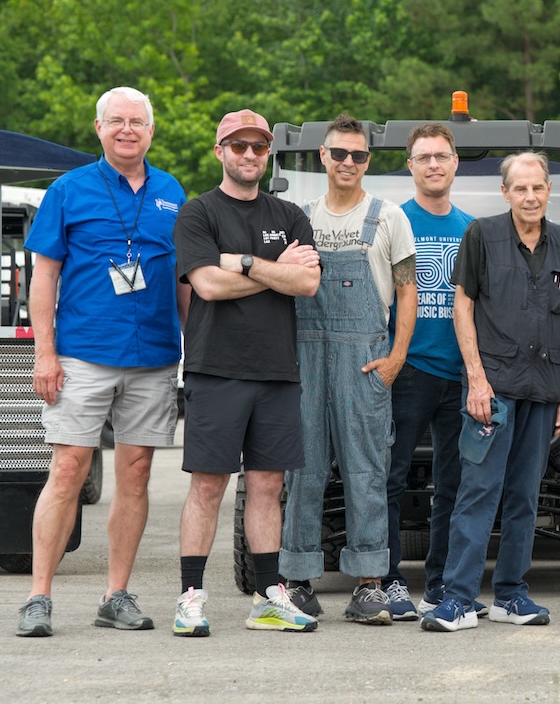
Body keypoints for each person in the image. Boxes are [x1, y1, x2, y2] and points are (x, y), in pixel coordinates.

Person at [16, 86, 187, 638]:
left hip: (155, 356)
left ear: (151, 132)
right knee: (67, 471)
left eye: (137, 122)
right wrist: (44, 352)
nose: (127, 130)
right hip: (82, 355)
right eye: (116, 121)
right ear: (98, 129)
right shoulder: (67, 191)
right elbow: (43, 276)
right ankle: (39, 596)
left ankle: (116, 594)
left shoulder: (171, 192)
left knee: (135, 475)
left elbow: (183, 281)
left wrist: (192, 351)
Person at [419, 152, 560, 632]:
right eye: (520, 189)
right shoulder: (482, 236)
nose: (530, 197)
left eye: (538, 188)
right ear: (505, 193)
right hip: (493, 392)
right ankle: (457, 599)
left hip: (544, 389)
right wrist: (475, 379)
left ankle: (512, 596)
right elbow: (463, 306)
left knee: (524, 496)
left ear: (548, 190)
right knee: (477, 491)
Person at [172, 109, 321, 636]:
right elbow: (207, 286)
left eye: (259, 147)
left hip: (278, 371)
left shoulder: (291, 213)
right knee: (209, 485)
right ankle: (190, 597)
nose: (250, 155)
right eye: (239, 146)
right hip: (216, 370)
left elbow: (307, 285)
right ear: (220, 151)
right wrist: (276, 270)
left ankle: (268, 597)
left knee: (266, 484)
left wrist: (244, 262)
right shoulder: (198, 214)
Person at [279, 115, 417, 625]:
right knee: (304, 466)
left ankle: (368, 584)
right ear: (323, 156)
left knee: (366, 470)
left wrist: (396, 359)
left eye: (358, 156)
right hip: (307, 357)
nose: (348, 163)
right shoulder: (300, 217)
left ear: (367, 161)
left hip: (366, 360)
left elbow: (408, 290)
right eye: (340, 154)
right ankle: (296, 580)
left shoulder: (388, 218)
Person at [382, 123, 474, 620]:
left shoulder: (473, 229)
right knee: (391, 479)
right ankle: (392, 579)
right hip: (408, 370)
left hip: (460, 375)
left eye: (442, 156)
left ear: (455, 163)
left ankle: (440, 583)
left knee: (455, 485)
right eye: (424, 157)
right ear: (410, 166)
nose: (434, 164)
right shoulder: (393, 223)